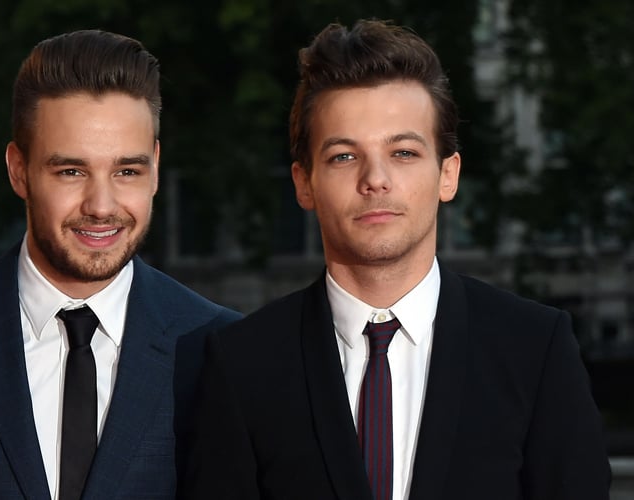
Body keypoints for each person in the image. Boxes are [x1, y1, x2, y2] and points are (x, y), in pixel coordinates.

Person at [179, 19, 610, 500]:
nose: (375, 179)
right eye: (344, 156)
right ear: (304, 183)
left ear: (448, 175)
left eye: (403, 152)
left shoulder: (534, 349)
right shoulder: (243, 363)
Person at [0, 30, 240, 500]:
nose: (101, 206)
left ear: (155, 168)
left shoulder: (218, 347)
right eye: (71, 171)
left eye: (127, 171)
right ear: (19, 170)